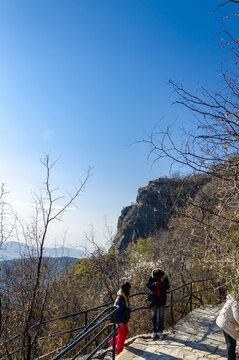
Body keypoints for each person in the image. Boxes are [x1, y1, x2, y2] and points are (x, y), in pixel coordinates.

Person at [146, 269, 169, 340]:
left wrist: (163, 282)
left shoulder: (164, 278)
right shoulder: (152, 277)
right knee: (153, 316)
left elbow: (167, 287)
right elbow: (148, 285)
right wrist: (154, 284)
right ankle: (154, 331)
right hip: (154, 299)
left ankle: (160, 331)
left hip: (162, 299)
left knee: (161, 316)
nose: (158, 278)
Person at [109, 282, 131, 355]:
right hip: (119, 319)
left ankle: (112, 342)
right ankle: (118, 352)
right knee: (122, 336)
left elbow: (126, 308)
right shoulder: (121, 297)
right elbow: (118, 310)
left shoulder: (125, 295)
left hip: (124, 317)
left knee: (126, 332)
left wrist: (128, 316)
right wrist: (120, 321)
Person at [216, 292, 239, 360]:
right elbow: (237, 316)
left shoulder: (234, 299)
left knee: (230, 343)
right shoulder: (235, 301)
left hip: (225, 322)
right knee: (231, 344)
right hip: (226, 323)